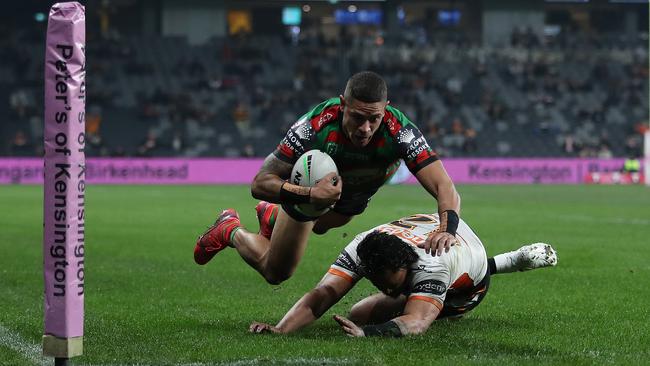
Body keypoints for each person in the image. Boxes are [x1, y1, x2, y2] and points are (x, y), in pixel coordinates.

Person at [194, 71, 461, 285]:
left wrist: (447, 229)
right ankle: (230, 230)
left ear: (386, 110)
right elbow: (260, 183)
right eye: (357, 117)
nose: (365, 129)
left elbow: (443, 185)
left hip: (347, 206)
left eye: (374, 119)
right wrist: (310, 195)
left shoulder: (400, 132)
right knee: (276, 274)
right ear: (343, 104)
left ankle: (273, 218)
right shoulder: (315, 127)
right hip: (311, 198)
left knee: (323, 225)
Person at [248, 213, 558, 337]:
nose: (381, 286)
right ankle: (508, 259)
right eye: (376, 280)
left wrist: (368, 334)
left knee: (372, 318)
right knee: (359, 311)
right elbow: (323, 294)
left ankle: (508, 261)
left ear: (403, 267)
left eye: (386, 280)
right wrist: (281, 329)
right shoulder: (362, 246)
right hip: (449, 243)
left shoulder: (432, 264)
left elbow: (418, 322)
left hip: (467, 285)